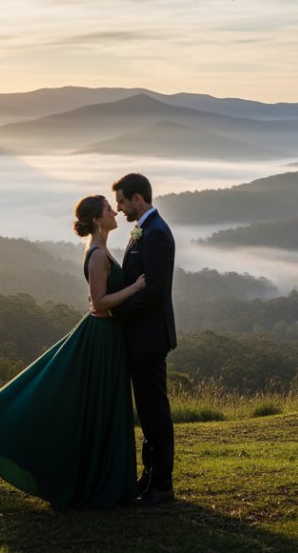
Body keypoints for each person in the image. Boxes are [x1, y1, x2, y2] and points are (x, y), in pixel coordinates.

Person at [0, 195, 145, 509]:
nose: (115, 212)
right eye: (109, 209)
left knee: (101, 407)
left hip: (107, 335)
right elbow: (99, 303)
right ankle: (100, 483)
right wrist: (136, 288)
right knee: (99, 405)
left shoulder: (99, 249)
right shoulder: (97, 254)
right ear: (98, 220)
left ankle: (106, 480)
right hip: (101, 337)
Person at [92, 172, 177, 506]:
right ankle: (149, 476)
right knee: (147, 410)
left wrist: (115, 313)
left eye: (122, 202)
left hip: (149, 338)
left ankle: (162, 485)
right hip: (140, 337)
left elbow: (155, 292)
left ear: (138, 199)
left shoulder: (155, 234)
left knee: (155, 412)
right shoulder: (145, 230)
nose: (120, 209)